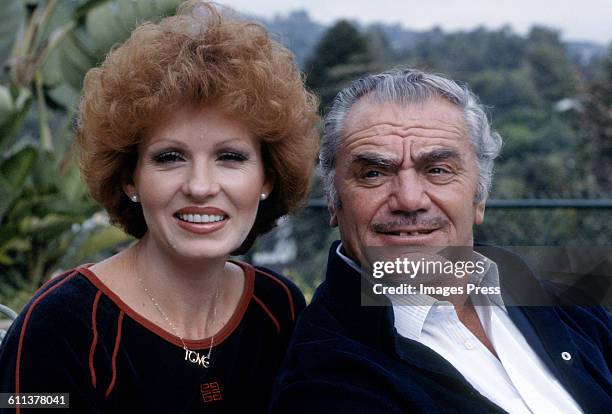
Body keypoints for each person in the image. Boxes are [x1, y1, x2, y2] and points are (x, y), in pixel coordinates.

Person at [0, 1, 319, 412]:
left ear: (267, 178)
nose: (200, 186)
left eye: (230, 157)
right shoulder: (59, 325)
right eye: (170, 157)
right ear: (130, 177)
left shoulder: (277, 307)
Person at [270, 69, 611, 413]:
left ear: (479, 196)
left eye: (438, 170)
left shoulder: (571, 305)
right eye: (373, 174)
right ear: (333, 200)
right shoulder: (323, 381)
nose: (409, 199)